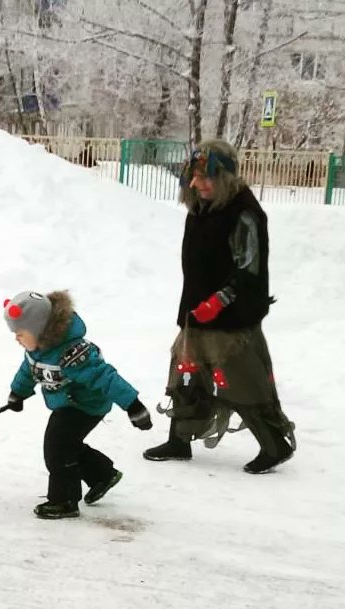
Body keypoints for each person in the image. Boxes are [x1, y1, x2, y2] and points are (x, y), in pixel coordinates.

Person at [143, 139, 295, 474]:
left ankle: (275, 445)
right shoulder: (202, 207)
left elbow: (249, 269)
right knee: (185, 373)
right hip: (196, 311)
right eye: (194, 176)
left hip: (230, 318)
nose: (197, 184)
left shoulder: (243, 213)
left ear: (225, 176)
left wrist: (220, 301)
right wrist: (198, 304)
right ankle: (179, 440)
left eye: (205, 176)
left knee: (241, 380)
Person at [3, 290, 153, 519]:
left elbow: (106, 377)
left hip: (86, 404)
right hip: (67, 402)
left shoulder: (72, 354)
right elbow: (28, 371)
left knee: (57, 446)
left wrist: (133, 405)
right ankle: (102, 475)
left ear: (39, 329)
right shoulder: (37, 351)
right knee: (66, 444)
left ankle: (64, 500)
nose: (16, 338)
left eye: (20, 333)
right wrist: (17, 393)